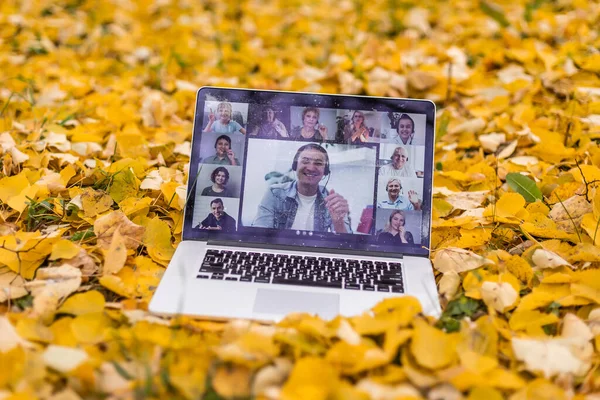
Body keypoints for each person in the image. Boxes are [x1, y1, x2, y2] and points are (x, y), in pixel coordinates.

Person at [252, 143, 351, 233]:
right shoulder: (274, 193)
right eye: (305, 161)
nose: (311, 168)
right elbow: (259, 234)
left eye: (318, 163)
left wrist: (338, 222)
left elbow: (346, 243)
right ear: (295, 166)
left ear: (325, 171)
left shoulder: (332, 202)